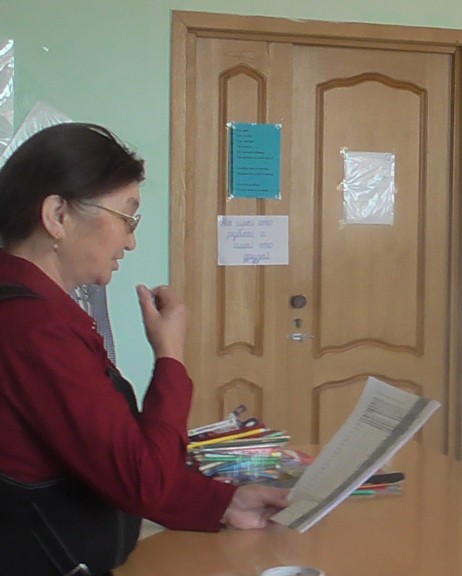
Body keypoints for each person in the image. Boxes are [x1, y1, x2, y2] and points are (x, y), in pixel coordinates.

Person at [0, 123, 290, 575]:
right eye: (126, 217)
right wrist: (169, 354)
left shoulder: (32, 311)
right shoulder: (34, 327)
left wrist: (224, 503)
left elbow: (107, 462)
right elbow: (143, 479)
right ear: (57, 215)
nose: (131, 241)